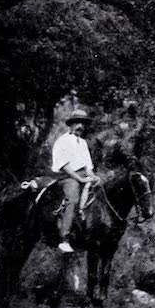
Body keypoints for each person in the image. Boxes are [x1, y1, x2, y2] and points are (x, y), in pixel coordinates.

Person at [51, 108, 100, 253]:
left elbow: (88, 166)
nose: (81, 126)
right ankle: (64, 238)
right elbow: (65, 166)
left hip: (82, 176)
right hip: (67, 177)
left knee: (101, 193)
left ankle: (91, 231)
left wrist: (93, 177)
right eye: (77, 123)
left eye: (83, 123)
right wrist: (80, 179)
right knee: (72, 198)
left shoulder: (83, 143)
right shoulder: (62, 141)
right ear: (71, 125)